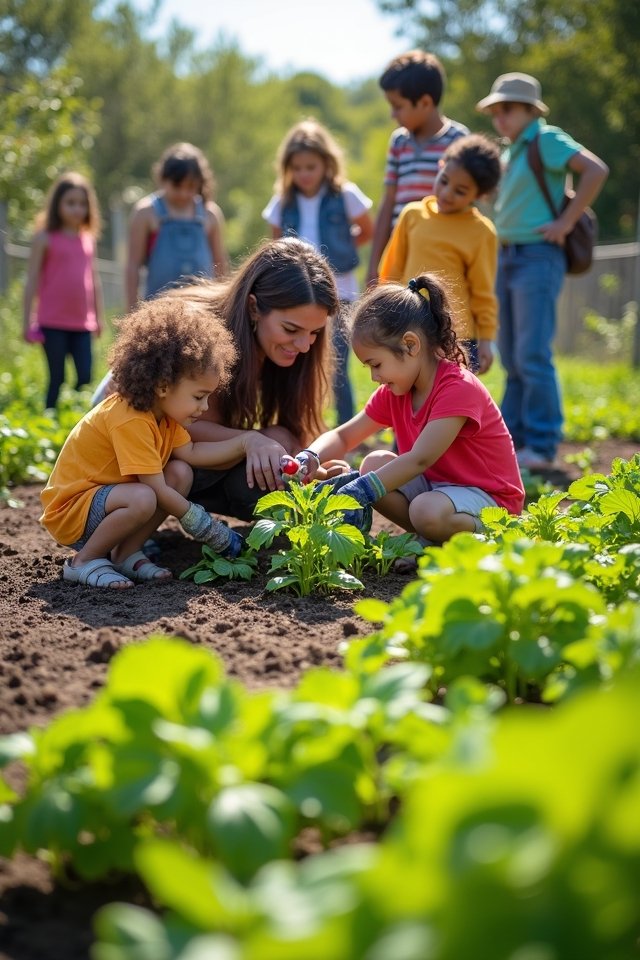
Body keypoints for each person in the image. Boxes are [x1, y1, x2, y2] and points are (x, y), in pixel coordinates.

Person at [93, 237, 343, 521]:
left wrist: (311, 467)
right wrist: (251, 440)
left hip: (191, 450)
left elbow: (283, 432)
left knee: (279, 441)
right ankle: (127, 525)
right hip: (130, 441)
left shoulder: (290, 350)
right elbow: (183, 426)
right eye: (291, 329)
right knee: (266, 447)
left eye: (314, 333)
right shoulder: (200, 330)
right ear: (253, 307)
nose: (304, 345)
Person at [39, 296, 277, 589]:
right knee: (144, 496)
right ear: (163, 386)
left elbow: (191, 452)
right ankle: (84, 561)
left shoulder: (164, 416)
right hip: (73, 512)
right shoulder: (131, 418)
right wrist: (207, 528)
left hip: (107, 506)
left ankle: (126, 554)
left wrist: (245, 443)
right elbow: (154, 489)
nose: (204, 408)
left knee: (180, 472)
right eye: (198, 397)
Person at [293, 275, 524, 546]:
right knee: (374, 464)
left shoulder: (458, 387)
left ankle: (488, 538)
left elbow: (419, 459)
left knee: (423, 508)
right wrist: (309, 457)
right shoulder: (396, 392)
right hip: (440, 493)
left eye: (376, 364)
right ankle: (430, 539)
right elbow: (345, 437)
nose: (374, 377)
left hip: (491, 501)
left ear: (411, 345)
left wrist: (359, 489)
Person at [476, 73, 609, 470]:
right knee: (514, 356)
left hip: (538, 256)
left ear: (531, 110)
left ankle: (544, 444)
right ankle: (512, 440)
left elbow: (595, 170)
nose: (500, 117)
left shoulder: (545, 139)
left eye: (509, 109)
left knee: (533, 354)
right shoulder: (511, 151)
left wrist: (565, 223)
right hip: (507, 255)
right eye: (496, 111)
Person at [262, 119, 373, 424]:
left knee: (337, 364)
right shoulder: (283, 202)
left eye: (311, 166)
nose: (304, 174)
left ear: (326, 163)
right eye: (297, 168)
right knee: (295, 362)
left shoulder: (345, 195)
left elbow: (366, 230)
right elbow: (274, 245)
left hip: (340, 291)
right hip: (295, 294)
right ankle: (297, 423)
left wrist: (342, 250)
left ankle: (346, 426)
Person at [378, 134, 501, 375]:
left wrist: (486, 339)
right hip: (407, 331)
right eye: (443, 181)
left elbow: (483, 293)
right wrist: (382, 316)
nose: (446, 193)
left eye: (460, 191)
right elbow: (390, 271)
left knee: (449, 405)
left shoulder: (481, 232)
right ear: (441, 165)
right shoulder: (412, 215)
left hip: (456, 339)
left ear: (478, 195)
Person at [366, 50, 469, 285]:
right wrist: (374, 263)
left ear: (424, 102)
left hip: (440, 252)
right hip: (400, 250)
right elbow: (389, 201)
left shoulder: (457, 139)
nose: (393, 114)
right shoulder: (399, 141)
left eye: (398, 106)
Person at [23, 171, 103, 409]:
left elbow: (94, 279)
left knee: (85, 376)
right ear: (57, 205)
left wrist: (98, 318)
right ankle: (50, 417)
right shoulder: (45, 238)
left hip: (82, 324)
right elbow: (31, 280)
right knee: (57, 378)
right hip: (52, 322)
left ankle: (78, 424)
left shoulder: (88, 239)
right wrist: (27, 321)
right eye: (70, 203)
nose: (76, 209)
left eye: (82, 204)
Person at [126, 142, 229, 311]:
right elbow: (132, 266)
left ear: (200, 184)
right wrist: (131, 310)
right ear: (163, 179)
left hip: (203, 309)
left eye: (190, 187)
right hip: (157, 309)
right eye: (177, 186)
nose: (183, 193)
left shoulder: (210, 214)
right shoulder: (146, 213)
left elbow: (221, 265)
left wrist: (225, 308)